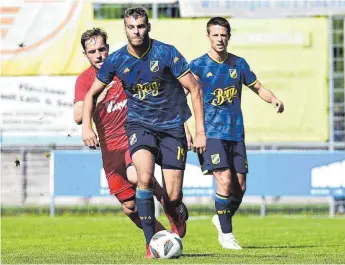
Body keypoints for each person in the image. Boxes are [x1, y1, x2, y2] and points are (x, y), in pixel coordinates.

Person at [82, 7, 206, 258]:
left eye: (140, 26)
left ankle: (175, 210)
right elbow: (90, 94)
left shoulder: (166, 53)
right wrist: (86, 126)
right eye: (131, 27)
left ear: (148, 27)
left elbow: (194, 88)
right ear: (125, 29)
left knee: (172, 194)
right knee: (144, 177)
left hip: (171, 126)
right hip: (140, 126)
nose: (136, 31)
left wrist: (199, 130)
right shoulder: (116, 60)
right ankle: (151, 242)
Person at [190, 17, 284, 250]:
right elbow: (180, 100)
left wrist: (273, 100)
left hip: (235, 134)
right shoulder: (198, 66)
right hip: (211, 134)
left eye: (223, 35)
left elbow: (257, 87)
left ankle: (220, 218)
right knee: (224, 179)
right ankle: (227, 235)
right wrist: (190, 131)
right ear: (208, 36)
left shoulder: (238, 64)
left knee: (239, 187)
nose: (219, 39)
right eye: (215, 35)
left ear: (228, 37)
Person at [74, 27, 169, 234]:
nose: (98, 55)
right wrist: (97, 98)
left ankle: (167, 201)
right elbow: (78, 116)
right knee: (130, 207)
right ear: (85, 54)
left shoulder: (123, 69)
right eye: (92, 52)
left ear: (108, 48)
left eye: (101, 49)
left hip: (133, 137)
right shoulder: (84, 81)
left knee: (136, 176)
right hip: (110, 149)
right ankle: (162, 238)